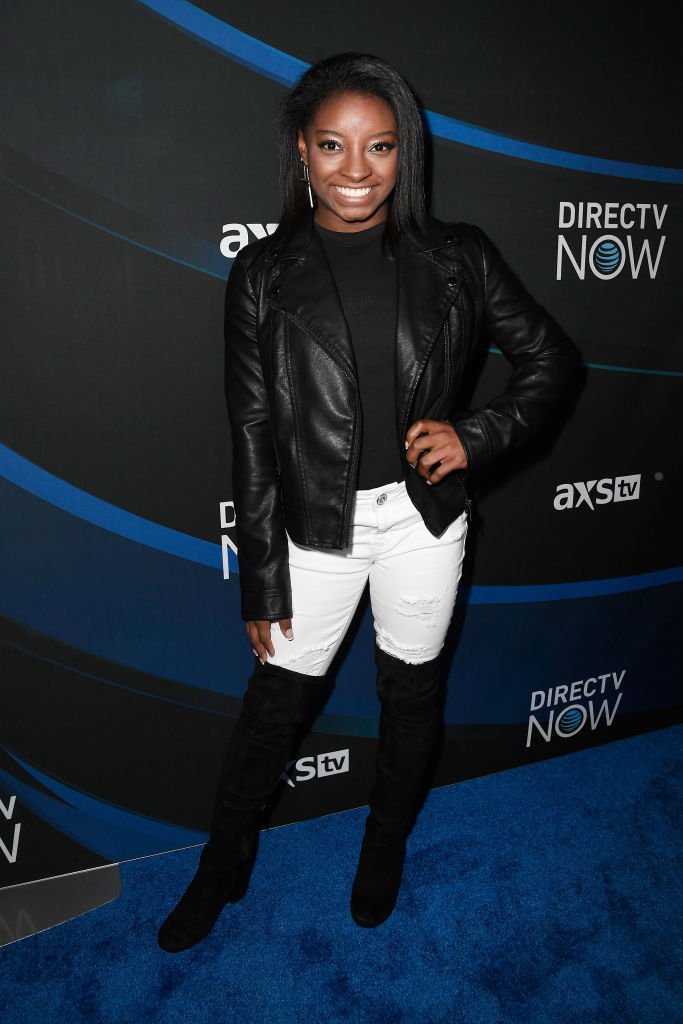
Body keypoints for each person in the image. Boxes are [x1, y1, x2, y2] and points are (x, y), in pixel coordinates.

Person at [157, 52, 577, 952]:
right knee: (273, 713)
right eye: (333, 146)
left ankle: (381, 853)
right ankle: (220, 868)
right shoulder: (263, 275)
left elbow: (550, 362)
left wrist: (478, 434)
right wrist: (260, 579)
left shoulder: (457, 258)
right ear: (300, 153)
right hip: (313, 530)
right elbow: (253, 433)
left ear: (404, 153)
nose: (357, 169)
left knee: (411, 701)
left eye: (379, 145)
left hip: (423, 522)